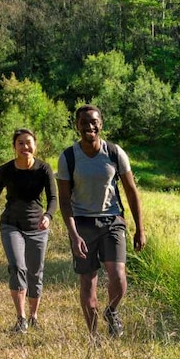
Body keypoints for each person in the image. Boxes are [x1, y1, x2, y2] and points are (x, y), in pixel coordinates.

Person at [56, 105, 145, 339]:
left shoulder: (115, 153)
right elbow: (64, 200)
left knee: (118, 276)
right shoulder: (68, 157)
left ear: (101, 124)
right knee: (88, 281)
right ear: (77, 125)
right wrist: (74, 234)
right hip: (83, 223)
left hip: (112, 220)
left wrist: (139, 229)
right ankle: (94, 336)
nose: (89, 126)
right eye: (84, 122)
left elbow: (131, 191)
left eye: (93, 121)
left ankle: (112, 311)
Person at [0, 128, 57, 334]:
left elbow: (53, 198)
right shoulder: (5, 170)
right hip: (11, 225)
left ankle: (34, 316)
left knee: (35, 271)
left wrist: (48, 216)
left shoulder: (43, 169)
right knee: (18, 267)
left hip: (37, 226)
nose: (25, 147)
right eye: (20, 143)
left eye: (28, 142)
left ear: (35, 145)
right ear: (14, 146)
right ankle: (21, 318)